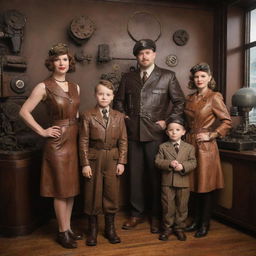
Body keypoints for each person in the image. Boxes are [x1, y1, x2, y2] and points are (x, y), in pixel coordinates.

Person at [113, 39, 185, 233]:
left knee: (155, 177)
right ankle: (136, 214)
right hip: (133, 134)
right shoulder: (128, 77)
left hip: (156, 135)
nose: (144, 56)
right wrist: (125, 118)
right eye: (140, 53)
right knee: (134, 177)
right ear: (136, 57)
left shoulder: (168, 76)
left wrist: (168, 121)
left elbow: (179, 102)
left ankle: (156, 216)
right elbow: (118, 102)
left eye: (147, 53)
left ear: (154, 54)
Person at [19, 43, 82, 249]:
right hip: (57, 143)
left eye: (65, 59)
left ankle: (69, 228)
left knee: (71, 189)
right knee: (60, 190)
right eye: (57, 59)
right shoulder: (43, 86)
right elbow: (24, 111)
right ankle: (62, 232)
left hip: (73, 139)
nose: (61, 63)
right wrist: (43, 131)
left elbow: (76, 114)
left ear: (69, 62)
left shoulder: (76, 87)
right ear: (51, 63)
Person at [184, 62, 232, 238]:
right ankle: (195, 221)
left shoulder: (214, 97)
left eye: (203, 76)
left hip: (206, 146)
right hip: (189, 143)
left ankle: (204, 224)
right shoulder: (189, 98)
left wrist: (211, 135)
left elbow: (227, 121)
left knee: (205, 185)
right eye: (196, 77)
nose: (199, 79)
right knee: (193, 185)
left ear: (209, 78)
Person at [79, 80, 127, 246]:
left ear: (113, 96)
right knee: (92, 192)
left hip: (113, 158)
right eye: (101, 94)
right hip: (94, 158)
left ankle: (110, 229)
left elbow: (123, 141)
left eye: (108, 94)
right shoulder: (87, 115)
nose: (104, 97)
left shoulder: (119, 116)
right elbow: (83, 141)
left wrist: (122, 161)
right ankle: (92, 231)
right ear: (95, 95)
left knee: (111, 193)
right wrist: (85, 164)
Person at [155, 121, 197, 242]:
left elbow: (193, 162)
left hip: (183, 182)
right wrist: (169, 163)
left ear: (183, 132)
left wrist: (183, 166)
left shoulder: (189, 148)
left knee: (182, 206)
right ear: (167, 132)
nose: (174, 132)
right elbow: (157, 161)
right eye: (171, 130)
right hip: (167, 182)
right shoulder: (163, 147)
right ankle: (167, 228)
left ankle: (179, 228)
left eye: (177, 130)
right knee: (167, 206)